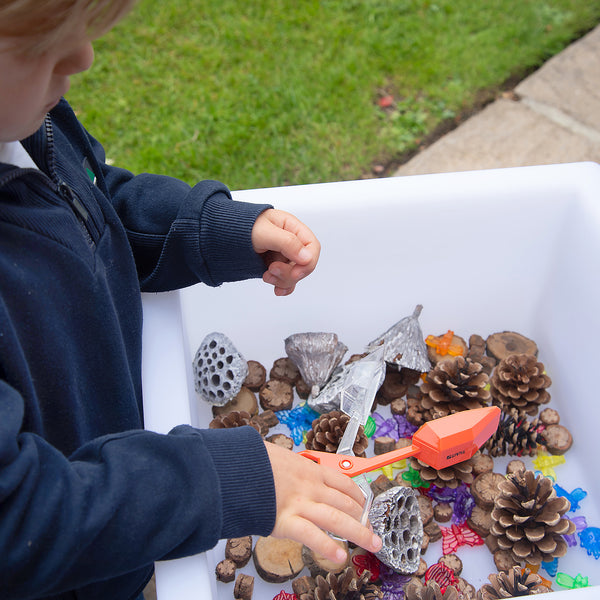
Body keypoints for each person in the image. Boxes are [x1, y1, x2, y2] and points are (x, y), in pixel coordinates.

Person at [0, 1, 382, 599]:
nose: (84, 55)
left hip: (125, 504)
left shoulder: (23, 123)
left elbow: (93, 207)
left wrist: (215, 233)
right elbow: (20, 518)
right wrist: (220, 481)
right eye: (41, 43)